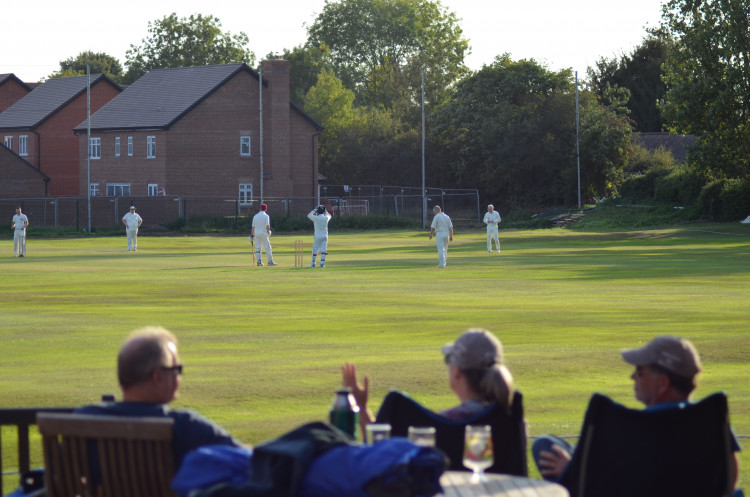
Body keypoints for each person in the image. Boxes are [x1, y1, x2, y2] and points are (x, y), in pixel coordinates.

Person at [533, 335, 742, 490]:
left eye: (640, 372)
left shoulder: (632, 429)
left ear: (663, 383)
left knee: (545, 445)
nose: (633, 377)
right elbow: (729, 480)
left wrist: (573, 471)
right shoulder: (711, 423)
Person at [76, 326, 243, 469]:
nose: (179, 377)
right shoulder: (186, 426)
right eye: (176, 370)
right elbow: (251, 461)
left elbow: (56, 477)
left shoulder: (84, 419)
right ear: (158, 378)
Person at [342, 328, 515, 437]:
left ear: (456, 373)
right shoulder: (513, 422)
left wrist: (362, 408)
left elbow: (378, 453)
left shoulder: (445, 424)